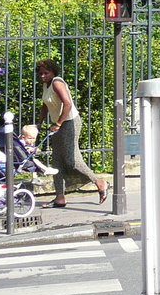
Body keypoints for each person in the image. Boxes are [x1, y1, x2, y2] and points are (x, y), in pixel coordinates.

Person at [36, 59, 108, 207]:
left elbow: (67, 104)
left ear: (53, 72)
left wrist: (58, 123)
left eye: (45, 73)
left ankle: (99, 182)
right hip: (58, 125)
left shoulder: (57, 82)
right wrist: (39, 122)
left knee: (71, 160)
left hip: (69, 123)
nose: (42, 76)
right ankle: (59, 197)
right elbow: (46, 104)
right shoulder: (46, 85)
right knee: (57, 161)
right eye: (40, 73)